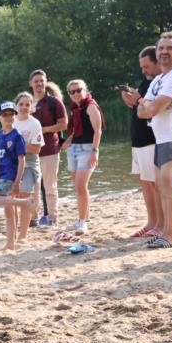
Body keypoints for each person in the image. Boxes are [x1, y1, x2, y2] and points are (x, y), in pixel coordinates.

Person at [135, 31, 172, 248]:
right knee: (162, 186)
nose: (164, 52)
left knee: (170, 186)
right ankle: (166, 233)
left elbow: (153, 108)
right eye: (161, 48)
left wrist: (152, 106)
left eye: (169, 48)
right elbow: (142, 111)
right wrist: (151, 106)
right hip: (161, 140)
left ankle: (171, 235)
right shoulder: (159, 79)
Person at [121, 46, 163, 238]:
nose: (143, 70)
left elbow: (153, 108)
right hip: (138, 140)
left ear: (157, 63)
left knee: (155, 184)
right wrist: (131, 100)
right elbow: (140, 105)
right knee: (145, 182)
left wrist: (138, 100)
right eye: (142, 66)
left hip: (151, 139)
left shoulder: (161, 82)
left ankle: (160, 224)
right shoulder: (146, 81)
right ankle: (151, 222)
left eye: (146, 66)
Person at [0, 101, 36, 250]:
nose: (9, 117)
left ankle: (25, 203)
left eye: (12, 114)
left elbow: (22, 160)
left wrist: (17, 182)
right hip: (2, 175)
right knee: (9, 213)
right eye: (5, 114)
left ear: (15, 116)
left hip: (10, 177)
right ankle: (10, 244)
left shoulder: (17, 137)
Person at [60, 79, 104, 235]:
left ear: (85, 90)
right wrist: (68, 141)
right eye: (72, 92)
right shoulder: (75, 108)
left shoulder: (91, 106)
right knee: (79, 188)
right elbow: (77, 131)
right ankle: (83, 219)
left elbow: (97, 131)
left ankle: (83, 223)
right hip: (73, 149)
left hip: (87, 150)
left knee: (80, 186)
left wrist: (95, 151)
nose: (76, 94)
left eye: (79, 90)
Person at [29, 70, 68, 227]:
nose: (39, 83)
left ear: (45, 82)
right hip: (31, 152)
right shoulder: (27, 102)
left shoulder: (54, 102)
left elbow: (64, 124)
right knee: (32, 187)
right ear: (30, 83)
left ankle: (52, 218)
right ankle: (34, 218)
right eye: (36, 81)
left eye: (41, 81)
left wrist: (43, 130)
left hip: (50, 150)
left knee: (50, 186)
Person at [12, 92, 44, 241]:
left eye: (27, 104)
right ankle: (13, 231)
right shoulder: (10, 121)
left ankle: (23, 236)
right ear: (16, 106)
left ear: (32, 107)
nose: (24, 107)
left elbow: (36, 149)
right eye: (21, 104)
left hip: (30, 163)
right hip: (12, 163)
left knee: (24, 197)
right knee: (12, 198)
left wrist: (19, 144)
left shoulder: (34, 123)